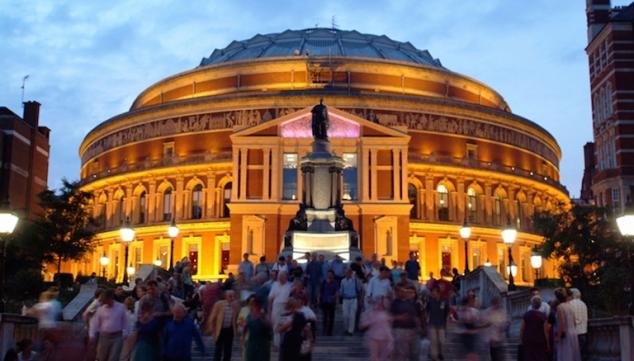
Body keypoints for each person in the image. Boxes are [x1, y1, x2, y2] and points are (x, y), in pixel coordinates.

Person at [89, 288, 130, 361]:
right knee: (101, 357)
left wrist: (125, 333)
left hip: (117, 336)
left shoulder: (121, 307)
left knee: (114, 357)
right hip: (104, 337)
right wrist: (92, 334)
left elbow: (125, 321)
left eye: (105, 300)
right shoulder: (101, 309)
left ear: (110, 298)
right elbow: (94, 322)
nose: (104, 302)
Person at [390, 286, 421, 361]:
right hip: (400, 330)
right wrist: (399, 317)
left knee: (415, 352)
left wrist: (419, 326)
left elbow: (416, 315)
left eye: (405, 291)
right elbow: (390, 317)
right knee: (402, 353)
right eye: (401, 291)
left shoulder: (413, 303)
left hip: (412, 330)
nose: (404, 293)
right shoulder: (395, 303)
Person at [278, 296, 312, 361]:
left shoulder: (300, 315)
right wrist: (288, 324)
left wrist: (310, 341)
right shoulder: (284, 316)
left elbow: (307, 329)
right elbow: (279, 329)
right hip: (287, 342)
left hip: (297, 342)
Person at [208, 290, 239, 361]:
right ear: (226, 297)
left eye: (233, 296)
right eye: (230, 296)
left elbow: (237, 318)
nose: (232, 298)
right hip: (220, 329)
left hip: (229, 330)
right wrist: (212, 329)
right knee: (218, 350)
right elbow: (213, 317)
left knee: (228, 350)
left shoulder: (235, 306)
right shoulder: (219, 304)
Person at [555, 288, 581, 361]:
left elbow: (562, 323)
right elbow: (574, 322)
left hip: (565, 335)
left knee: (565, 355)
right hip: (573, 333)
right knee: (573, 355)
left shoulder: (560, 307)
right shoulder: (571, 305)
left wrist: (559, 337)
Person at [521, 296, 549, 361]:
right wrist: (548, 344)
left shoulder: (526, 315)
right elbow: (546, 331)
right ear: (540, 305)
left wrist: (522, 339)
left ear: (532, 304)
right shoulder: (543, 316)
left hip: (528, 339)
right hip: (540, 340)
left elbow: (522, 329)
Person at [268, 271, 291, 348]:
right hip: (277, 306)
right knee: (276, 325)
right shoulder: (275, 285)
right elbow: (270, 298)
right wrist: (269, 310)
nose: (280, 279)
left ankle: (286, 344)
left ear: (286, 277)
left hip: (286, 307)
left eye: (282, 277)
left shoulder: (289, 286)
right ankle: (277, 345)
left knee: (286, 325)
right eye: (279, 277)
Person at [427, 285, 449, 361]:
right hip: (432, 324)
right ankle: (434, 356)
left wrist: (446, 323)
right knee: (433, 341)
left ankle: (441, 353)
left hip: (441, 324)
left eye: (434, 292)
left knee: (442, 341)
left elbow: (446, 313)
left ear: (438, 292)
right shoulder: (430, 301)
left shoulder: (444, 301)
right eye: (432, 292)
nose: (433, 293)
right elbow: (427, 311)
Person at [483, 297, 508, 361]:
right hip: (491, 339)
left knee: (499, 356)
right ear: (492, 303)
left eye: (498, 303)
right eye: (495, 303)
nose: (497, 305)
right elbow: (484, 324)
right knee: (493, 356)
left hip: (500, 339)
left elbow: (505, 324)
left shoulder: (501, 312)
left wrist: (503, 325)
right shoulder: (487, 312)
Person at [340, 268, 361, 335]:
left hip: (353, 299)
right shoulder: (343, 281)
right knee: (345, 315)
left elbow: (359, 289)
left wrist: (360, 299)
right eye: (346, 272)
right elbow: (341, 290)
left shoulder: (355, 280)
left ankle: (350, 331)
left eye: (349, 272)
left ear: (351, 273)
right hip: (345, 299)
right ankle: (346, 329)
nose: (347, 274)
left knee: (352, 315)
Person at [320, 270, 339, 336]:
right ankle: (324, 330)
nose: (329, 275)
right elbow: (321, 291)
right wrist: (320, 299)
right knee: (324, 317)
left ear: (333, 275)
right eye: (328, 274)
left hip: (331, 302)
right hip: (325, 301)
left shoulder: (335, 282)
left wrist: (335, 299)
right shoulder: (324, 282)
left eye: (331, 274)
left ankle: (330, 331)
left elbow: (337, 292)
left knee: (331, 317)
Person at [569, 288, 587, 355]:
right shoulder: (583, 304)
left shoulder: (570, 304)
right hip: (583, 331)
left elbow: (574, 319)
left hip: (574, 333)